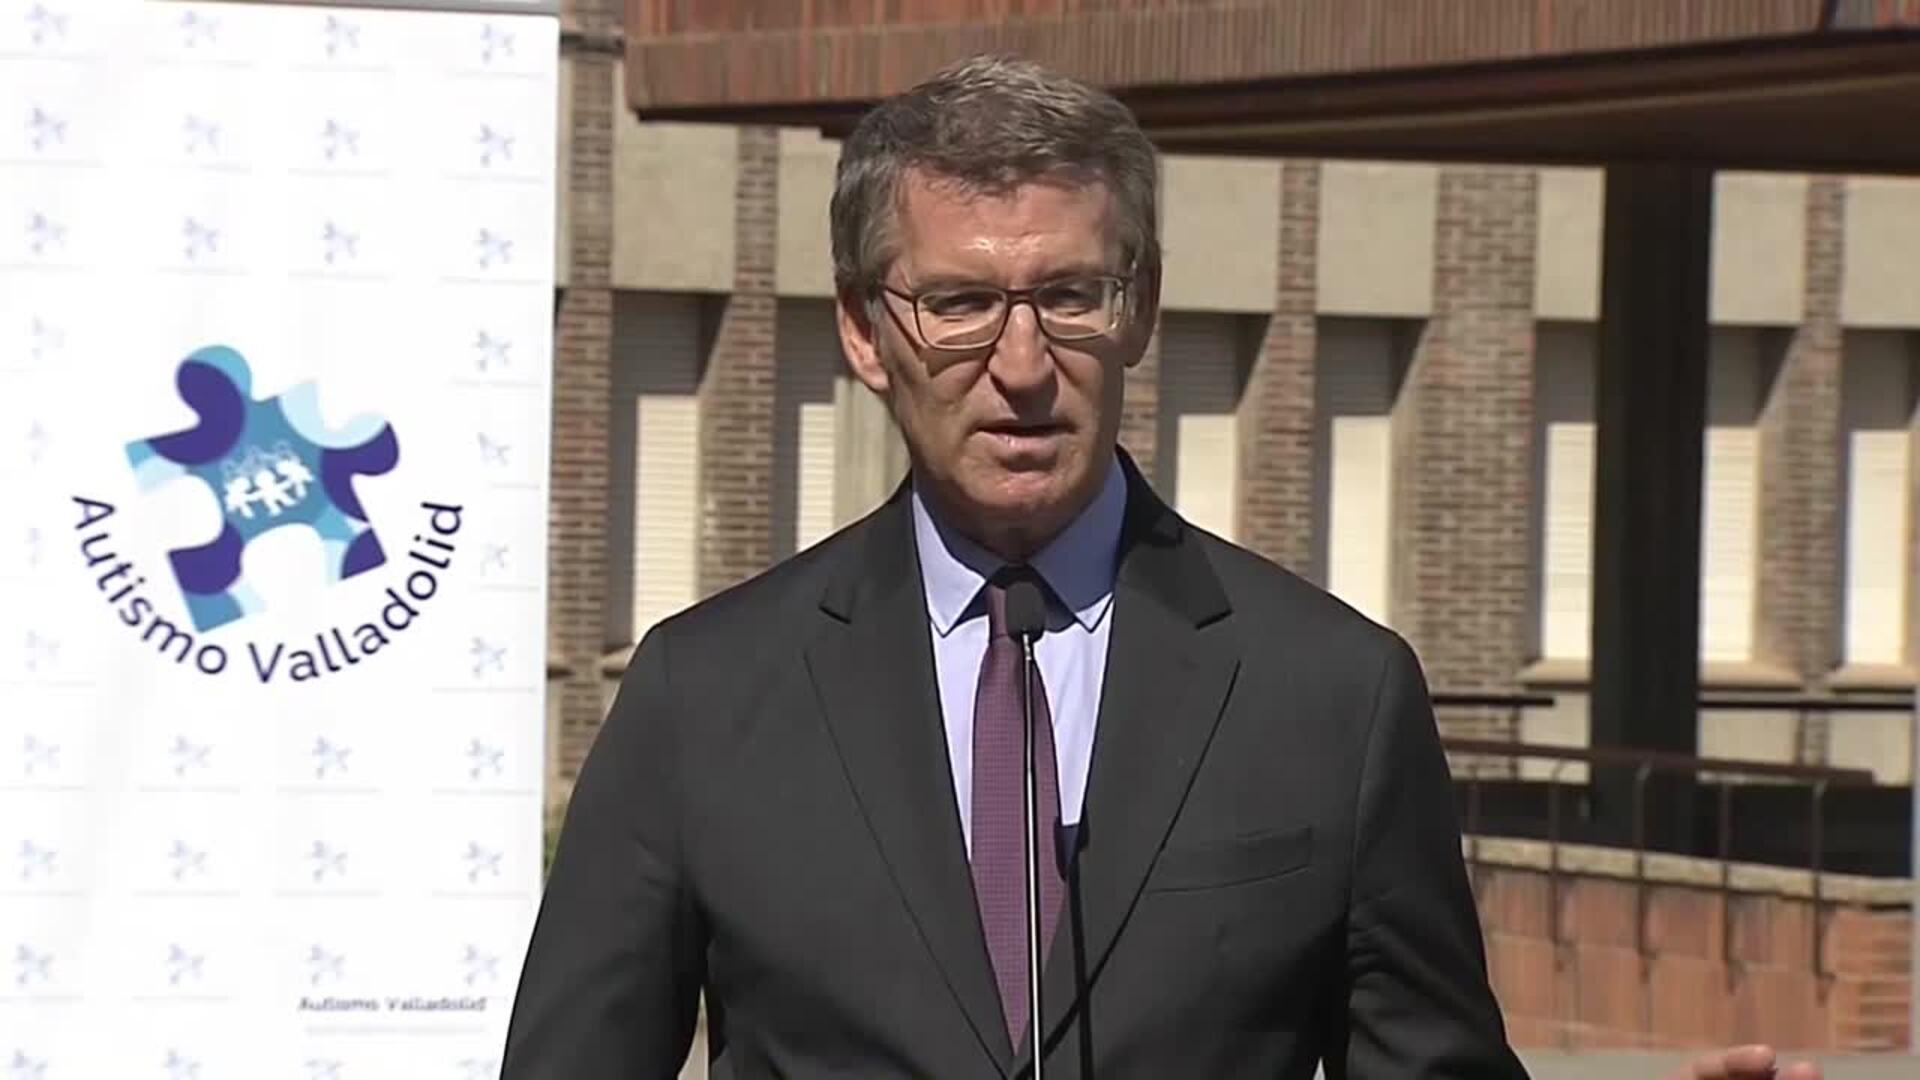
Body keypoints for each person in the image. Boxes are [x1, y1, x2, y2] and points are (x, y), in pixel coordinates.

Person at [500, 54, 1821, 1080]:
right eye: (960, 304)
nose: (1023, 366)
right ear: (862, 330)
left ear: (1139, 308)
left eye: (1070, 296)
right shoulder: (704, 698)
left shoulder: (1332, 694)